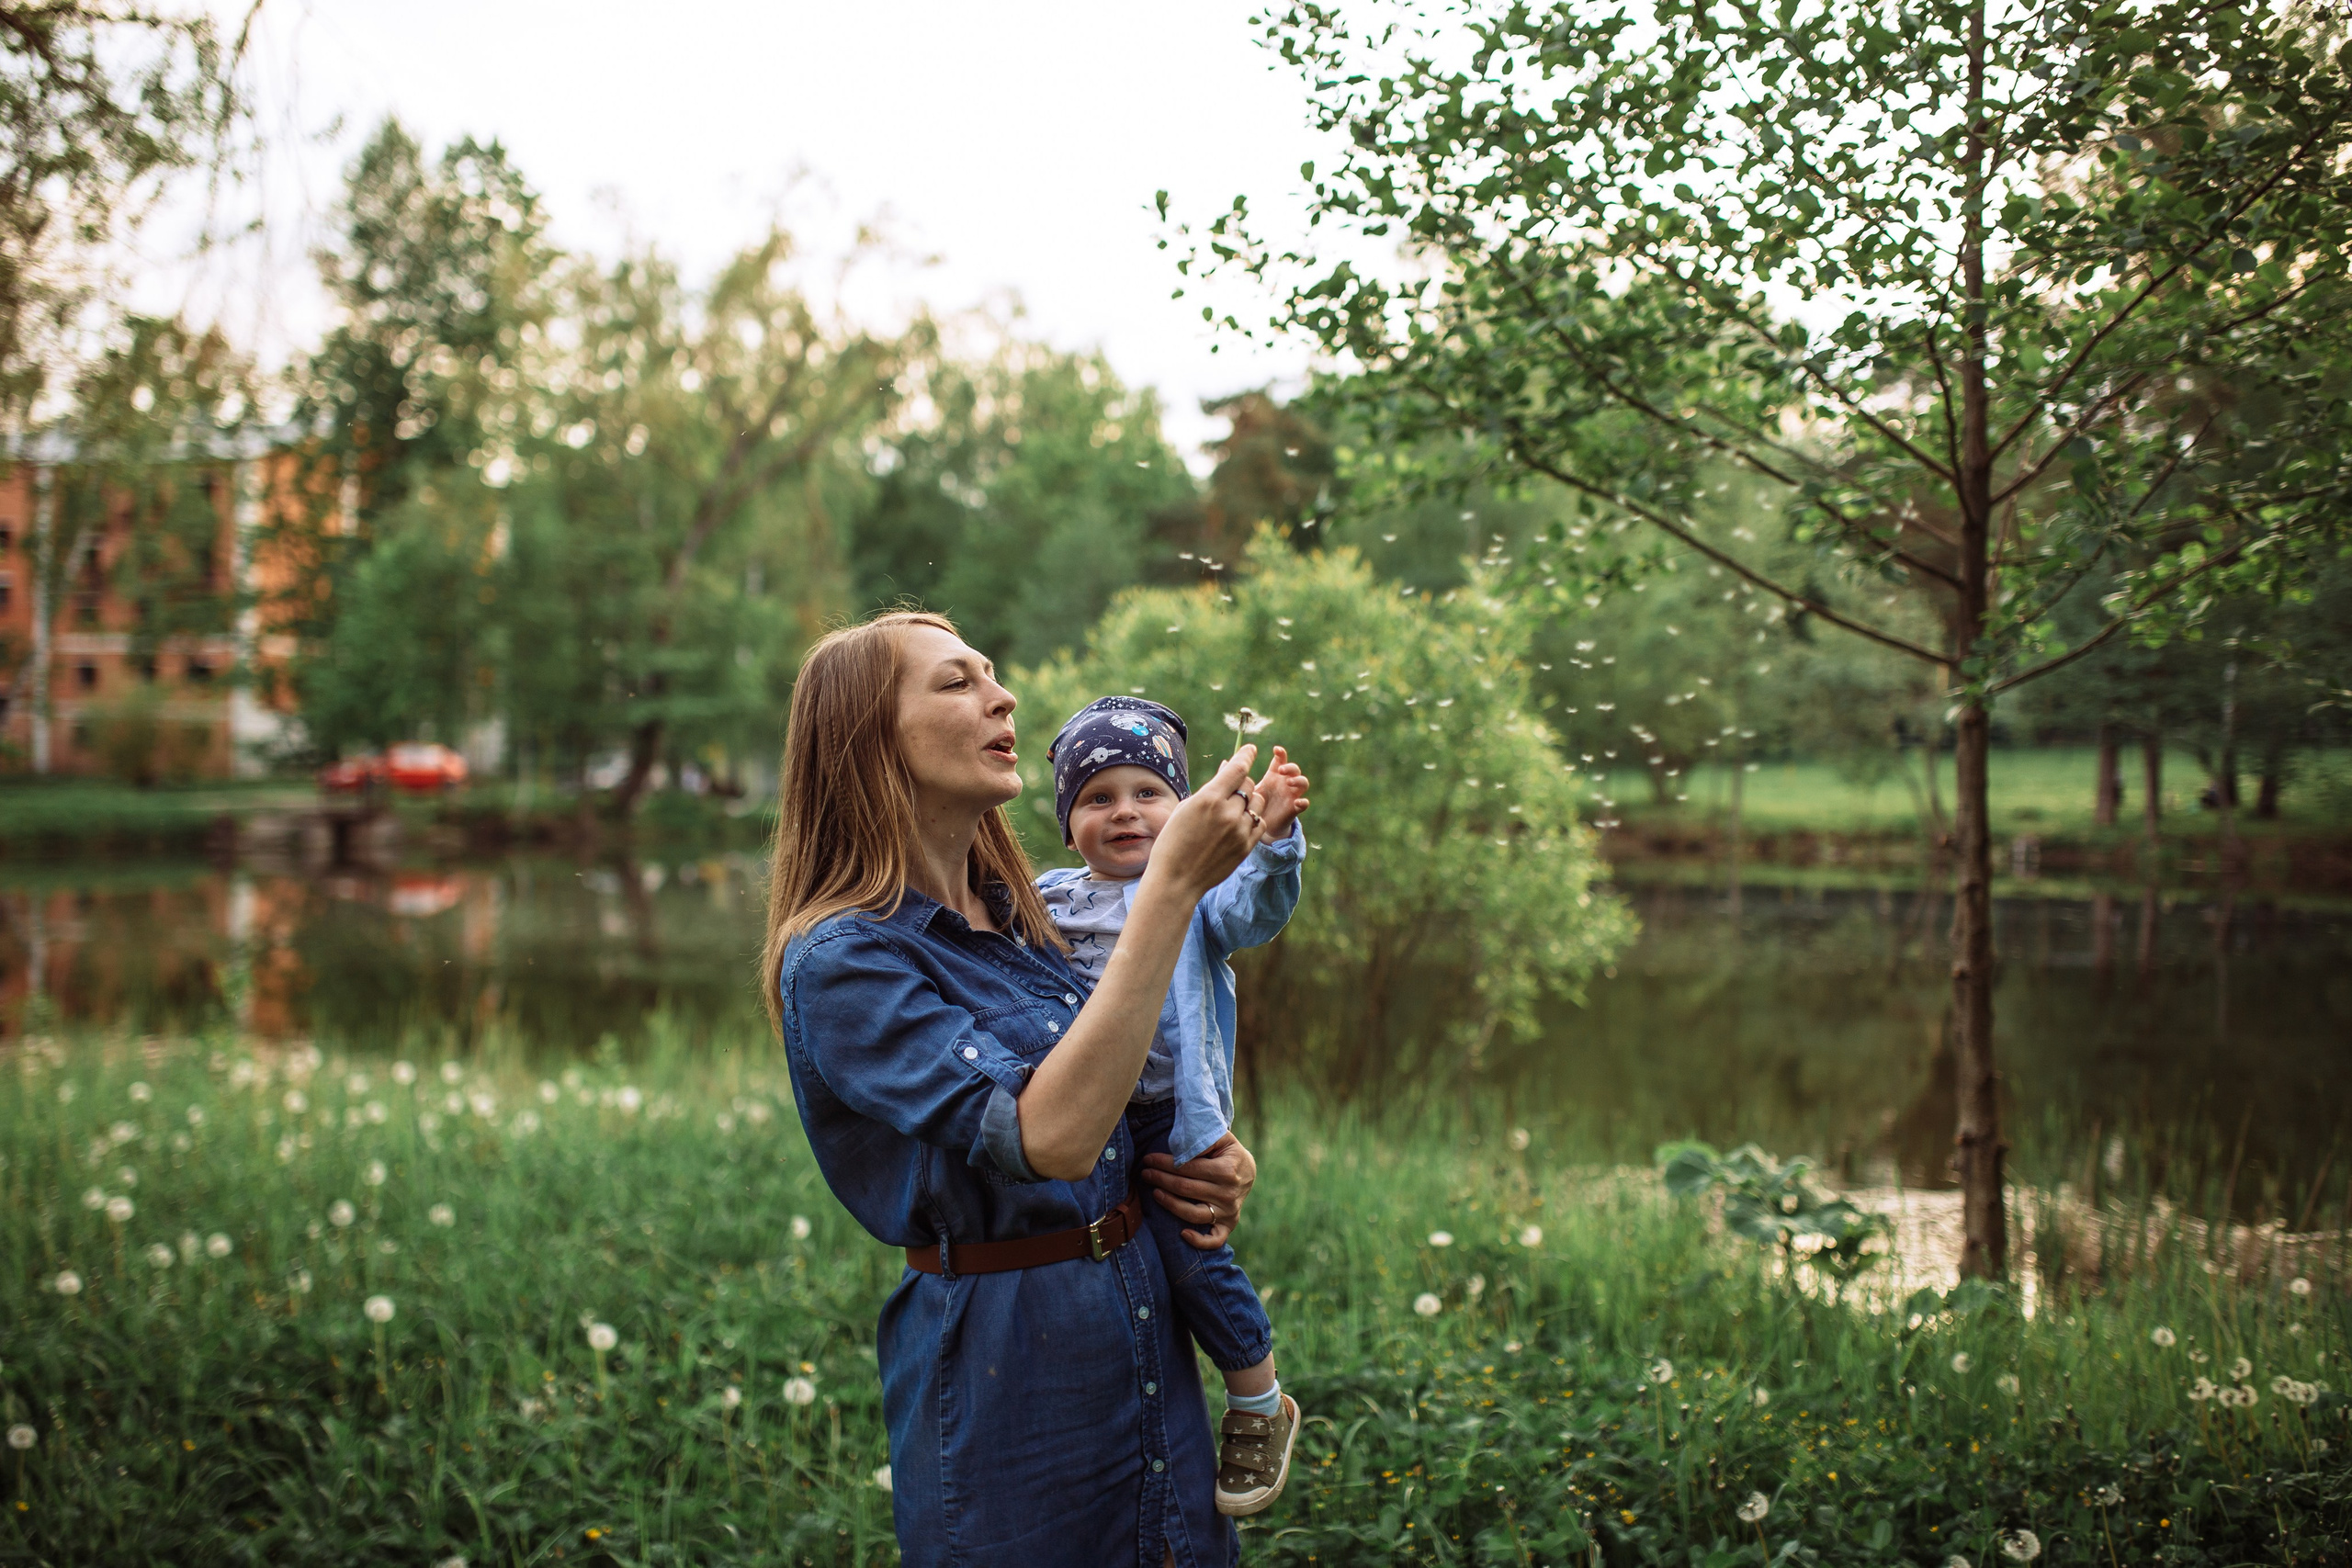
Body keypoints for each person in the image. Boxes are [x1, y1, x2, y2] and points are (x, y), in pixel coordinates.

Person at [762, 610, 1277, 1568]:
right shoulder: (845, 960)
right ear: (868, 737)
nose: (1002, 698)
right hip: (1011, 1374)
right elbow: (1052, 1137)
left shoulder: (1031, 918)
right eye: (957, 682)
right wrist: (1169, 886)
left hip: (1140, 1325)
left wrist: (1207, 1152)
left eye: (993, 674)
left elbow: (1118, 1089)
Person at [1038, 697, 1309, 1516]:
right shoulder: (1049, 900)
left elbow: (1256, 910)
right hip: (1086, 1110)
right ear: (1068, 825)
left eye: (1148, 792)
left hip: (1163, 1114)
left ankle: (1259, 1401)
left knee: (1191, 1255)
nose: (1125, 810)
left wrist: (1274, 842)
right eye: (1097, 797)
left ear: (1186, 811)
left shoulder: (1198, 896)